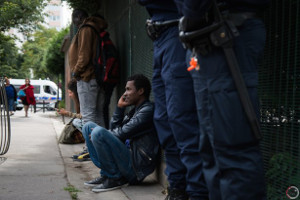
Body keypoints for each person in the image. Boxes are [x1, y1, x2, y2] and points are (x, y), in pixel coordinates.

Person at [176, 1, 270, 199]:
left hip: (224, 37)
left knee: (232, 152)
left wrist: (193, 12)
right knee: (214, 154)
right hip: (210, 39)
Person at [138, 1, 208, 200]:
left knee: (182, 118)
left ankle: (197, 192)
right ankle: (177, 187)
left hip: (178, 33)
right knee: (164, 119)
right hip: (161, 36)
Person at [82, 74, 160, 193]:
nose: (125, 93)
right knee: (88, 127)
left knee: (98, 132)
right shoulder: (134, 111)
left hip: (136, 169)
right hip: (126, 159)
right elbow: (116, 130)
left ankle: (115, 178)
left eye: (128, 89)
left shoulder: (147, 110)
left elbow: (122, 133)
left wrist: (102, 134)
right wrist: (119, 108)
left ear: (140, 91)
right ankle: (107, 174)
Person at [68, 9, 107, 127]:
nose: (74, 23)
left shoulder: (86, 29)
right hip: (96, 77)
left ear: (79, 17)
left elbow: (84, 56)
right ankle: (100, 145)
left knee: (88, 116)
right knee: (98, 114)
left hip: (87, 77)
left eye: (74, 19)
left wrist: (75, 72)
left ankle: (90, 146)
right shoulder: (94, 28)